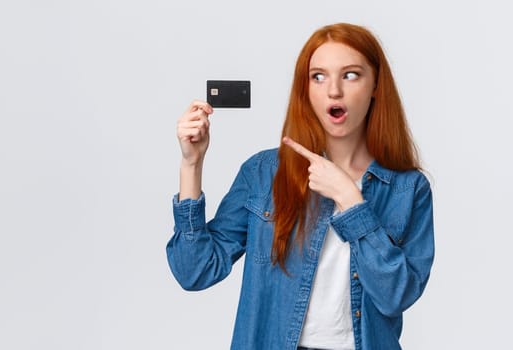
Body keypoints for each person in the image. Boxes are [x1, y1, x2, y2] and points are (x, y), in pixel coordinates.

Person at [167, 23, 435, 350]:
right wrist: (191, 164)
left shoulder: (408, 189)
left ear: (376, 85)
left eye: (350, 75)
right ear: (305, 89)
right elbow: (195, 271)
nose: (333, 90)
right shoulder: (264, 173)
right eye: (318, 76)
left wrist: (351, 202)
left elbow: (397, 296)